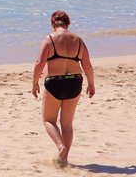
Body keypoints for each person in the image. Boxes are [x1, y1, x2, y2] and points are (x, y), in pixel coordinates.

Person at [31, 10, 95, 167]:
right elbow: (87, 65)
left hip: (55, 82)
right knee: (67, 124)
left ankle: (60, 147)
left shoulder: (50, 39)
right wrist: (91, 84)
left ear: (53, 23)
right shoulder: (78, 40)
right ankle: (63, 159)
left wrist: (34, 82)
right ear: (68, 23)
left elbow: (39, 62)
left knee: (48, 120)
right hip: (75, 82)